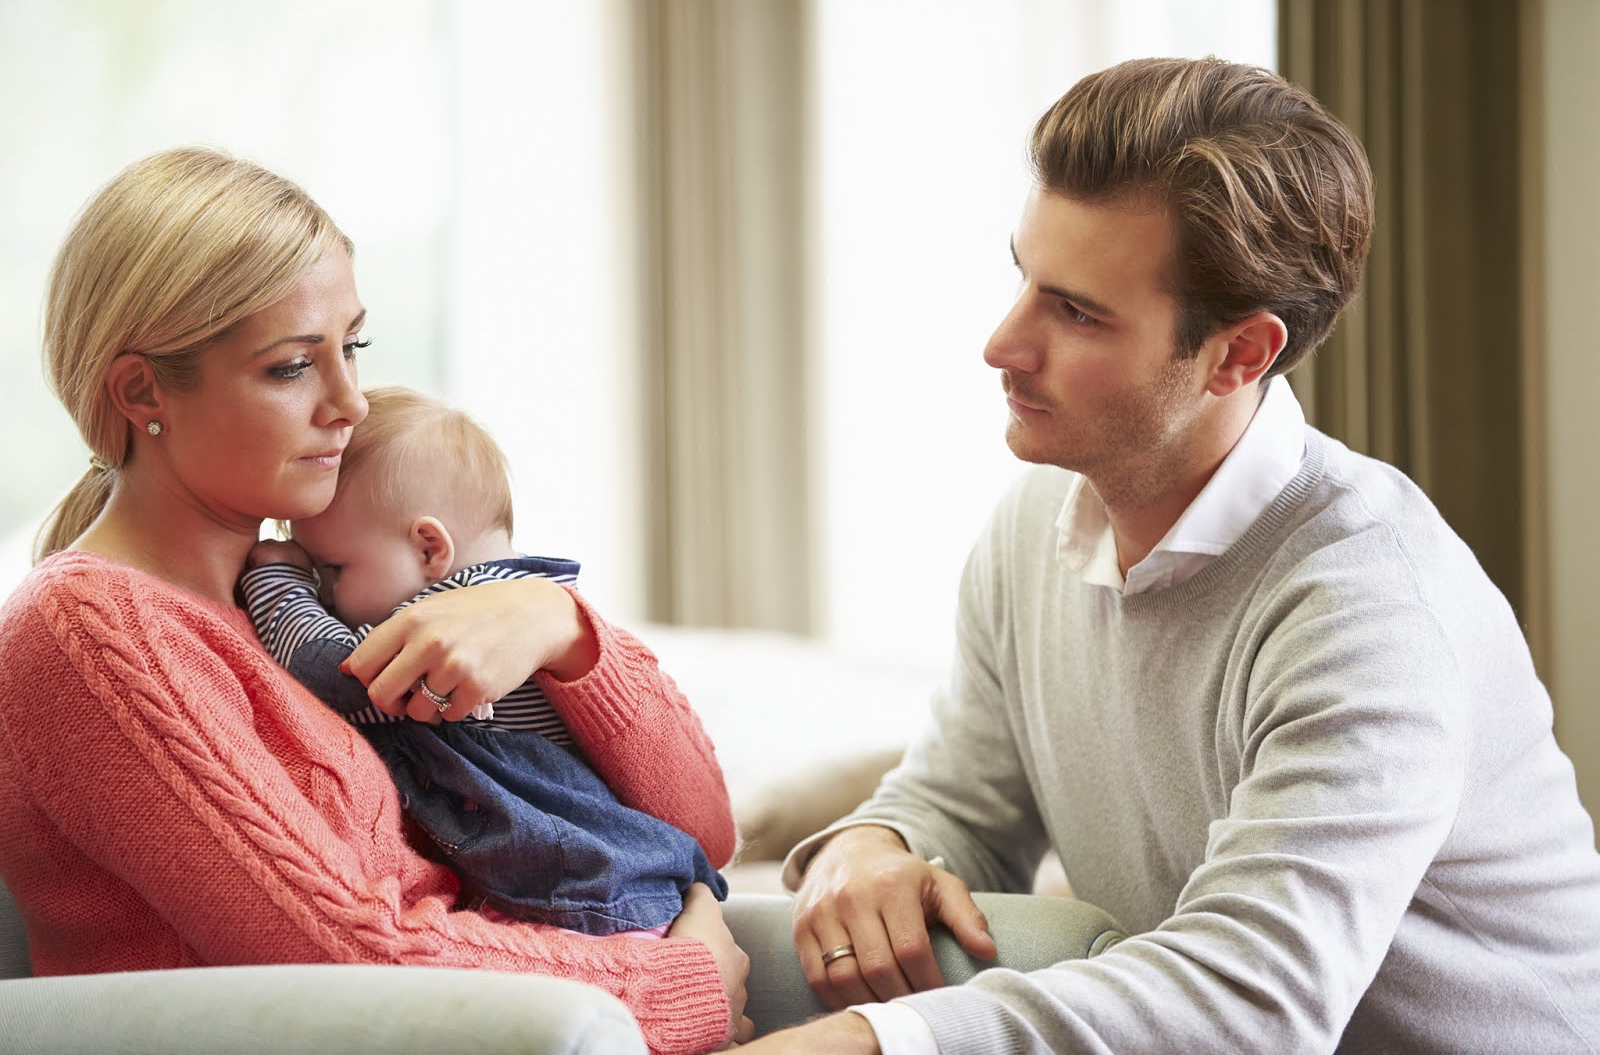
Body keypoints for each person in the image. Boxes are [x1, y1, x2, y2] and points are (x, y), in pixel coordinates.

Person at [748, 57, 1600, 1053]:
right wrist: (872, 843)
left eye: (1075, 312)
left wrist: (872, 1041)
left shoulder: (1367, 606)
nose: (1001, 343)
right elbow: (964, 798)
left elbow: (1252, 999)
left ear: (1240, 353)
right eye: (1022, 276)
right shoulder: (1036, 526)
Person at [0, 147, 752, 1053]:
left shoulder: (321, 602)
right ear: (141, 390)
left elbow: (700, 830)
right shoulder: (91, 634)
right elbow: (346, 954)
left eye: (351, 347)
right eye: (290, 367)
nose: (351, 402)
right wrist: (676, 985)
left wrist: (563, 629)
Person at [240, 384, 727, 937]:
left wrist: (276, 581)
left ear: (429, 549)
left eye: (332, 570)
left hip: (572, 901)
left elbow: (335, 671)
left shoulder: (456, 618)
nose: (324, 595)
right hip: (615, 892)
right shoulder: (529, 584)